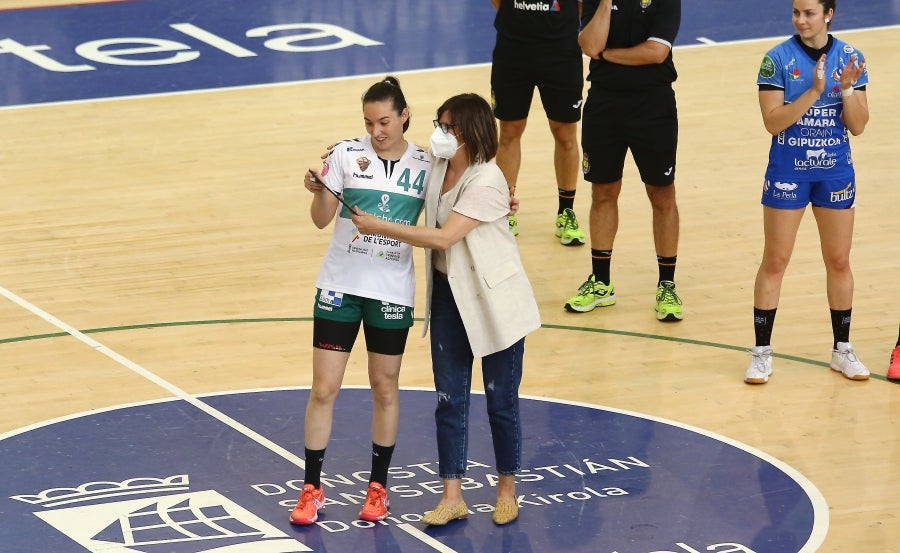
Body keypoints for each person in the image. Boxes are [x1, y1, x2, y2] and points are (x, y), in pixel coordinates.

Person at [350, 93, 541, 526]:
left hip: (495, 303)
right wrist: (338, 156)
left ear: (469, 133)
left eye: (446, 126)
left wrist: (379, 227)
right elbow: (393, 157)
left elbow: (443, 238)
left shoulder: (488, 179)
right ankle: (452, 495)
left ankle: (507, 490)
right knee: (449, 399)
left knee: (501, 401)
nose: (438, 133)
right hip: (449, 296)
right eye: (437, 123)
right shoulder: (438, 165)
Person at [290, 76, 432, 525]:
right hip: (339, 287)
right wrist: (318, 193)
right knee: (324, 388)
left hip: (391, 293)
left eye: (385, 122)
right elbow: (320, 220)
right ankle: (312, 488)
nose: (376, 131)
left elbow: (447, 220)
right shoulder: (346, 156)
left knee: (384, 388)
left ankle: (378, 489)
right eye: (369, 122)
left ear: (404, 115)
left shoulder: (428, 166)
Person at [744, 0, 869, 384]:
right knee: (776, 260)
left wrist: (846, 89)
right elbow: (772, 122)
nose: (801, 20)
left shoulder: (851, 57)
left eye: (809, 13)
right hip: (788, 172)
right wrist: (815, 91)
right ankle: (761, 353)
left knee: (839, 260)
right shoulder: (776, 59)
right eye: (796, 12)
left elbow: (860, 125)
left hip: (834, 171)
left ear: (828, 14)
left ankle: (842, 349)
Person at [564, 0, 685, 322]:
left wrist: (608, 54)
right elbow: (589, 44)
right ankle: (601, 282)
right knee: (602, 192)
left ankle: (667, 285)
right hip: (604, 103)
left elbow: (656, 53)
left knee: (661, 194)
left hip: (653, 105)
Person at [489, 0, 586, 246]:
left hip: (561, 51)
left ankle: (566, 211)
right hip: (513, 48)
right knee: (510, 130)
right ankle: (505, 210)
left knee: (565, 132)